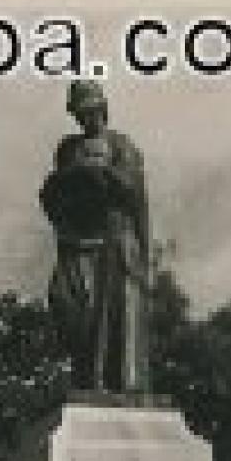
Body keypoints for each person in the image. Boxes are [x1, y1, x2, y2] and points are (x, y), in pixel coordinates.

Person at [40, 80, 152, 394]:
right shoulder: (68, 149)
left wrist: (145, 257)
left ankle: (111, 384)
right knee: (69, 305)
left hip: (116, 241)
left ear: (103, 109)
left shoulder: (122, 145)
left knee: (115, 316)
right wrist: (76, 176)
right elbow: (54, 194)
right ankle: (87, 377)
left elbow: (135, 195)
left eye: (90, 110)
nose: (85, 118)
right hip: (77, 243)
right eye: (79, 112)